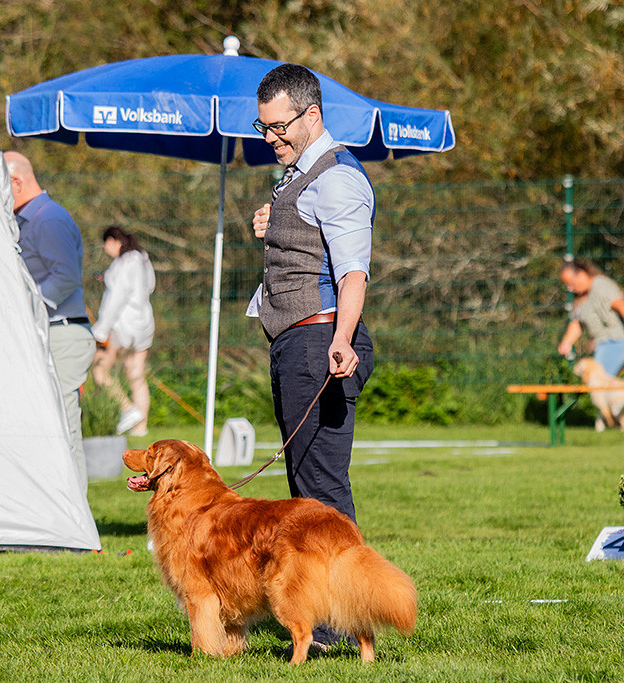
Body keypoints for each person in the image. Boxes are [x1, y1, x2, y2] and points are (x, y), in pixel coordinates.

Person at [250, 64, 375, 649]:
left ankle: (350, 621)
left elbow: (352, 271)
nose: (270, 137)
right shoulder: (299, 176)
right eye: (263, 127)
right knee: (307, 490)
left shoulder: (339, 178)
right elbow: (307, 240)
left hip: (320, 342)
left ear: (312, 114)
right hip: (296, 342)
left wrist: (342, 339)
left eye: (279, 126)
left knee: (322, 492)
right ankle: (325, 621)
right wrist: (272, 222)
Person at [4, 151, 96, 491]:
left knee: (64, 428)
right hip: (53, 331)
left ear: (15, 182)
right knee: (51, 427)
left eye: (0, 186)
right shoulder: (34, 219)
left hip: (62, 333)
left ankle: (76, 512)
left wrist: (24, 306)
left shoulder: (48, 219)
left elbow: (66, 277)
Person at [91, 226, 157, 436]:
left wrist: (101, 329)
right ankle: (140, 428)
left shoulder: (124, 262)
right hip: (144, 323)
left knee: (99, 370)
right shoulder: (142, 258)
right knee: (136, 374)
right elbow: (150, 286)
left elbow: (117, 298)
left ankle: (127, 408)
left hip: (123, 325)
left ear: (112, 241)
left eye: (105, 245)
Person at [557, 258, 624, 375]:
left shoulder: (601, 285)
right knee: (597, 379)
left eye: (571, 283)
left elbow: (621, 305)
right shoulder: (580, 298)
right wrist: (567, 342)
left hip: (618, 340)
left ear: (581, 274)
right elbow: (577, 323)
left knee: (598, 379)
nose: (569, 288)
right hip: (603, 345)